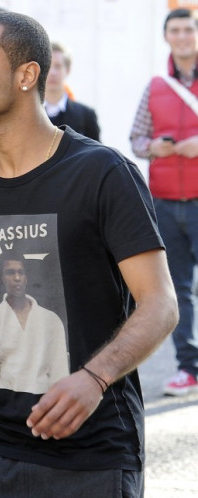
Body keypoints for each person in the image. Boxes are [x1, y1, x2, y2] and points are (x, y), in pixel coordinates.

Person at [0, 11, 177, 498]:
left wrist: (94, 377)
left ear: (27, 76)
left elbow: (161, 305)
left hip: (95, 451)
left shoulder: (103, 174)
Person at [130, 8, 198, 397]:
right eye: (175, 30)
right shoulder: (155, 87)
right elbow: (136, 139)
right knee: (180, 290)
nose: (183, 36)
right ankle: (189, 369)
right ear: (167, 36)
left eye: (189, 29)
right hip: (167, 202)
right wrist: (153, 146)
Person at [0, 253, 70, 393]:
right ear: (2, 278)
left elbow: (59, 371)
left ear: (27, 278)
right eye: (10, 272)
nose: (17, 278)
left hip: (45, 402)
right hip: (6, 405)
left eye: (21, 272)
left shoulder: (50, 319)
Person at [44, 41, 100, 141]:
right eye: (48, 66)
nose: (52, 72)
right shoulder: (27, 113)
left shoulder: (86, 115)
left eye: (58, 66)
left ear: (68, 70)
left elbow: (98, 154)